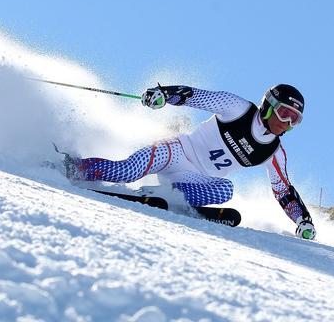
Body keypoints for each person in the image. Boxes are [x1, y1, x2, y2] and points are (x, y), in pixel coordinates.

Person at [64, 83, 317, 240]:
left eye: (295, 120)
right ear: (269, 105)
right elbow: (194, 96)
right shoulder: (238, 108)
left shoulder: (274, 152)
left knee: (225, 189)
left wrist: (302, 220)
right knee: (126, 171)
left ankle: (161, 195)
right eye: (285, 113)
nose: (287, 123)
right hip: (176, 152)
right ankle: (69, 166)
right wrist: (164, 94)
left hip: (193, 179)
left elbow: (283, 191)